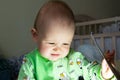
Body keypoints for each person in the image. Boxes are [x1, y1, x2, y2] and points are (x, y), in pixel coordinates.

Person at [18, 0, 116, 80]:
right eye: (51, 43)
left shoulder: (74, 58)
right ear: (35, 35)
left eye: (65, 44)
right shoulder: (30, 62)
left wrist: (103, 73)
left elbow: (90, 70)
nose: (58, 49)